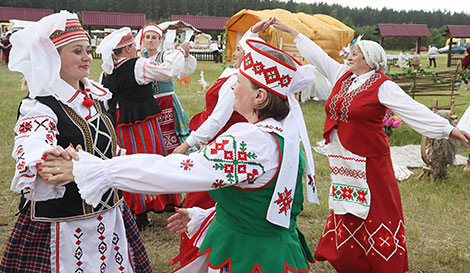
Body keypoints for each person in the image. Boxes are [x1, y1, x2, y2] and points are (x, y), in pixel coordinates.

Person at [38, 29, 321, 273]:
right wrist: (205, 216)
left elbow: (174, 171)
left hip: (251, 258)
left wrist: (96, 170)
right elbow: (263, 206)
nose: (232, 86)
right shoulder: (279, 134)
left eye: (239, 82)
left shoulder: (252, 142)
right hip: (265, 249)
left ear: (259, 96)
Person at [273, 18, 470, 273]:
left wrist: (448, 130)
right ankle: (350, 258)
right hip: (344, 159)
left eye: (356, 54)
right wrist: (292, 32)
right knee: (348, 207)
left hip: (370, 161)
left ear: (370, 59)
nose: (350, 56)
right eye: (351, 53)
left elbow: (412, 110)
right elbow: (319, 56)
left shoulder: (382, 85)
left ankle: (383, 261)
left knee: (376, 210)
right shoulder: (343, 76)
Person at [0, 11, 153, 273]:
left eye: (88, 50)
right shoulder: (39, 107)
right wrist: (47, 155)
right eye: (77, 51)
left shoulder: (95, 95)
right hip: (66, 222)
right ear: (52, 57)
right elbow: (33, 142)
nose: (87, 57)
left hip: (109, 213)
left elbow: (106, 146)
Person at [170, 20, 274, 266]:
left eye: (240, 50)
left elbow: (217, 120)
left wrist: (188, 144)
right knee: (205, 200)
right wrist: (254, 29)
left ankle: (201, 256)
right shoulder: (233, 74)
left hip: (223, 143)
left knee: (202, 199)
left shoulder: (237, 79)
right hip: (223, 141)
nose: (235, 52)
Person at [98, 27, 196, 230]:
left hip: (122, 124)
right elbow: (168, 72)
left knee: (130, 164)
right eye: (133, 45)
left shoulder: (107, 72)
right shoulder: (138, 65)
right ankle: (159, 203)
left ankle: (139, 211)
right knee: (152, 160)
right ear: (126, 49)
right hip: (142, 123)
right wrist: (180, 51)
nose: (137, 48)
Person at [137, 24, 196, 153]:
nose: (150, 40)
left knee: (171, 135)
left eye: (154, 37)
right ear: (143, 39)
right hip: (150, 105)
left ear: (160, 40)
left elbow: (183, 71)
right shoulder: (140, 60)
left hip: (167, 102)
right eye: (147, 37)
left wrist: (184, 56)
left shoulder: (165, 56)